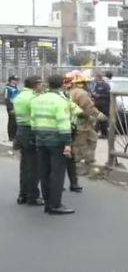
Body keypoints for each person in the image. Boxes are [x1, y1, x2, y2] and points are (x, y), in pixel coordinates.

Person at [31, 75, 75, 215]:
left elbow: (33, 122)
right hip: (56, 142)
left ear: (48, 84)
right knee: (57, 173)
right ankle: (55, 205)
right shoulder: (61, 101)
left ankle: (47, 204)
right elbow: (63, 123)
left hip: (41, 140)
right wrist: (67, 144)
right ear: (62, 85)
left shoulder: (36, 100)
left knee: (44, 172)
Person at [68, 71, 107, 177]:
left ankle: (89, 160)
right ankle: (77, 167)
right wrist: (99, 115)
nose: (88, 84)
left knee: (93, 138)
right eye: (86, 82)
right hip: (80, 124)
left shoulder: (72, 91)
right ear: (82, 83)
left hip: (81, 123)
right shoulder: (81, 93)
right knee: (80, 145)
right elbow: (88, 108)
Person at [13, 75, 44, 206]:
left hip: (20, 131)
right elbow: (37, 117)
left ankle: (22, 195)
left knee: (24, 166)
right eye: (41, 84)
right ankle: (33, 197)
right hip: (31, 132)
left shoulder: (19, 96)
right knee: (34, 167)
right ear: (35, 85)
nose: (42, 87)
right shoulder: (34, 98)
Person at [62, 73, 83, 192]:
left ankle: (73, 183)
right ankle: (69, 183)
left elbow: (78, 112)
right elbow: (79, 112)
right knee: (64, 157)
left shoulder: (67, 96)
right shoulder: (63, 97)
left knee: (69, 157)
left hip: (68, 129)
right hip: (63, 130)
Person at [90, 71, 111, 138]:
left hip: (104, 105)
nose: (95, 79)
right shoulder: (97, 85)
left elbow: (108, 95)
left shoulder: (106, 85)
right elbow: (95, 93)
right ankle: (103, 134)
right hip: (98, 105)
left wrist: (99, 95)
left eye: (96, 77)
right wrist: (93, 95)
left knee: (104, 120)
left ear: (99, 77)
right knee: (100, 120)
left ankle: (106, 134)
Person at [4, 75, 21, 141]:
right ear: (11, 80)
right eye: (15, 80)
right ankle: (11, 136)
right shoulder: (7, 88)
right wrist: (10, 108)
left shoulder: (16, 88)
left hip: (17, 107)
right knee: (12, 121)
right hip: (11, 107)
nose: (17, 81)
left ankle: (15, 135)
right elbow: (6, 99)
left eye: (17, 80)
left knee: (16, 121)